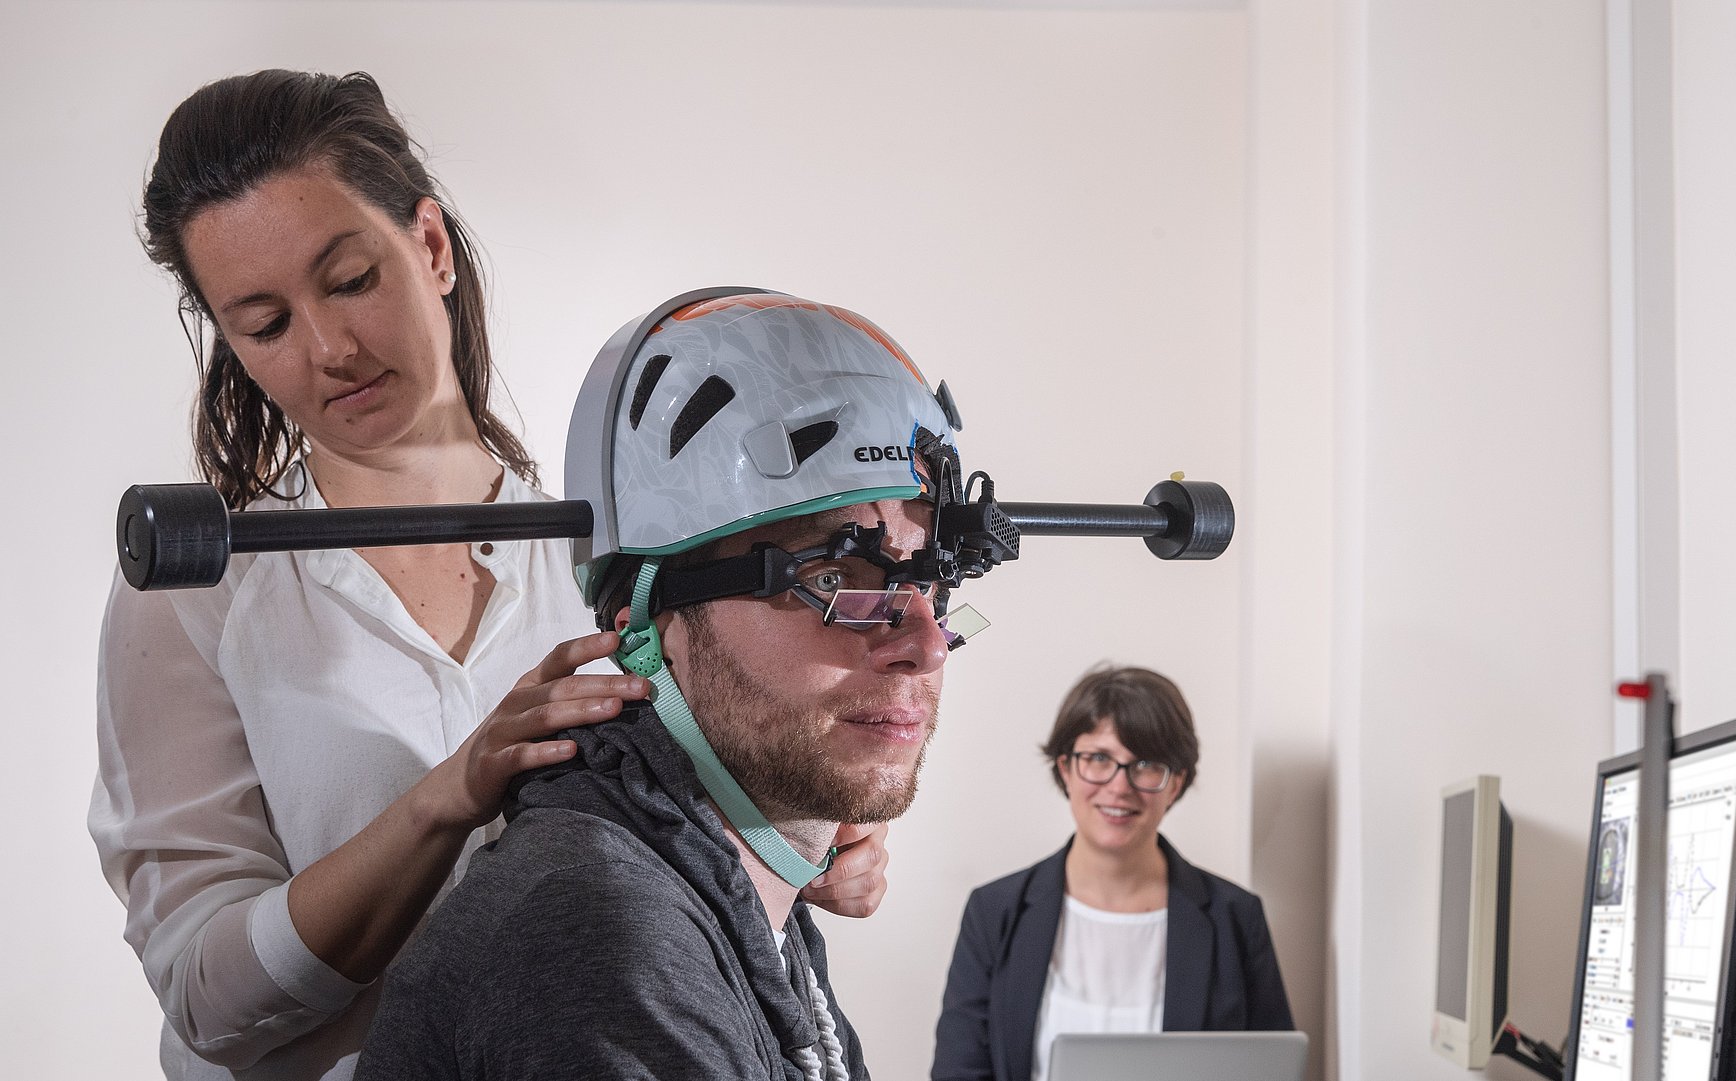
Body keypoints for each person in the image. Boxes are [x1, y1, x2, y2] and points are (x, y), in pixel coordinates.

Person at [89, 71, 888, 1081]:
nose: (329, 348)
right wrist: (449, 795)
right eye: (265, 323)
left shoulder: (620, 550)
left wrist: (806, 842)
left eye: (349, 280)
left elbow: (700, 856)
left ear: (430, 247)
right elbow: (210, 1000)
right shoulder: (200, 590)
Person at [354, 291, 983, 1080]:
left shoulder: (748, 905)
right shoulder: (596, 924)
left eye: (933, 584)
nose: (925, 645)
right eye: (831, 576)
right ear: (644, 622)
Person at [931, 666, 1292, 1081]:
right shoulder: (994, 911)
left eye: (1145, 764)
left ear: (1176, 784)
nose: (1120, 787)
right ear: (1065, 768)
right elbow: (959, 1072)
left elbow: (1271, 1070)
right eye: (1099, 758)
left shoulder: (1235, 917)